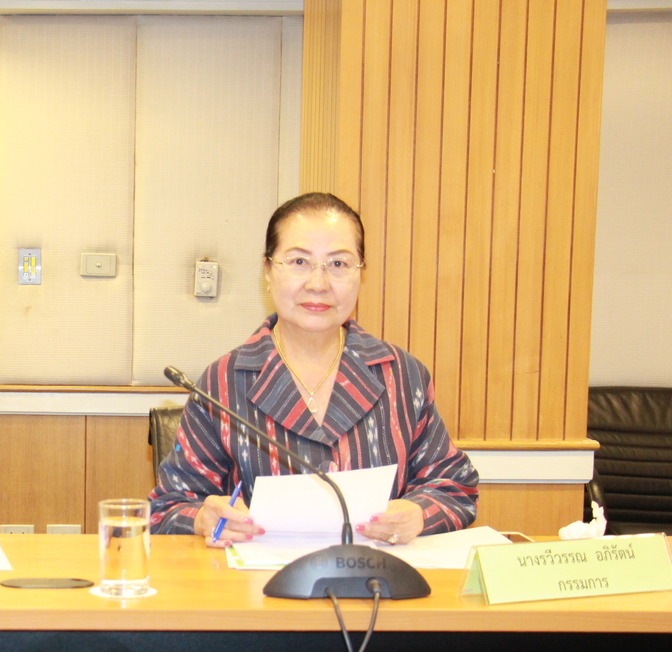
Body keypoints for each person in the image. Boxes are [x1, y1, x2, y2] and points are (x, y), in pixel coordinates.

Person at [150, 192, 478, 546]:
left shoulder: (400, 375)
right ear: (267, 270)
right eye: (299, 262)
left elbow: (454, 486)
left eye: (338, 264)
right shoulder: (225, 382)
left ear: (360, 273)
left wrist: (419, 514)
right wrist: (202, 518)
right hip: (261, 579)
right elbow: (167, 508)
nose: (318, 284)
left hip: (376, 576)